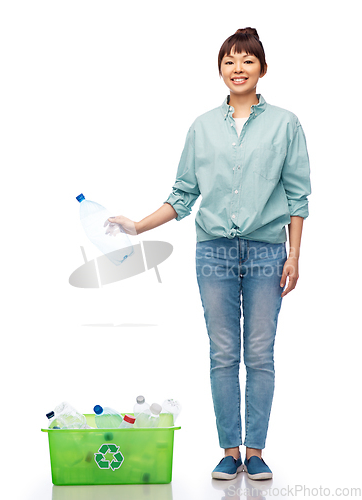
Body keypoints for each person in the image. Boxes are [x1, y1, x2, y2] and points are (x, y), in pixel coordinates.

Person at [105, 27, 311, 481]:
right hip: (214, 251)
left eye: (247, 61)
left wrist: (293, 255)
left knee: (259, 354)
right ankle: (229, 451)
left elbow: (298, 199)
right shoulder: (201, 127)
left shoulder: (286, 124)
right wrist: (136, 225)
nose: (238, 69)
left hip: (266, 252)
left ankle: (255, 452)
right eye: (229, 61)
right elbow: (182, 196)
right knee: (223, 354)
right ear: (220, 70)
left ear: (262, 69)